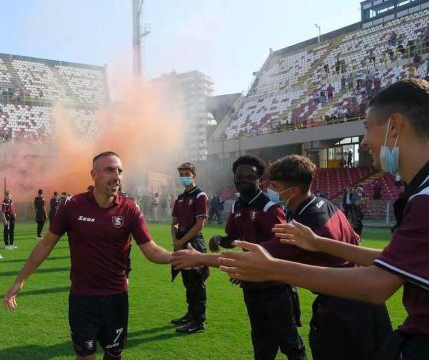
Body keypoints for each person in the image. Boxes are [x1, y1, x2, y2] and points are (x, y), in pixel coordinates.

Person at [211, 79, 429, 359]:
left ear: (394, 126)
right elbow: (389, 260)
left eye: (366, 128)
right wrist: (320, 244)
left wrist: (274, 269)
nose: (364, 142)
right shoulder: (418, 193)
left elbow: (378, 285)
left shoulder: (423, 198)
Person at [176, 155, 393, 359]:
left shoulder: (302, 225)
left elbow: (257, 258)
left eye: (276, 187)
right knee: (264, 340)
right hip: (364, 304)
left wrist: (199, 258)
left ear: (293, 190)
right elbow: (355, 240)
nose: (272, 191)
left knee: (289, 340)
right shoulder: (326, 206)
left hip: (343, 308)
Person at [4, 151, 172, 360]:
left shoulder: (129, 208)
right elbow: (46, 244)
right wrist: (20, 280)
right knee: (85, 357)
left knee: (113, 355)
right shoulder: (72, 206)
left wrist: (177, 257)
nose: (117, 175)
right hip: (82, 298)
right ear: (93, 174)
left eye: (120, 171)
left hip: (116, 297)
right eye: (110, 170)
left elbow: (151, 250)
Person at [211, 155, 306, 360]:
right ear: (234, 178)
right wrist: (220, 239)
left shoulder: (269, 207)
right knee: (261, 340)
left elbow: (283, 243)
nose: (244, 180)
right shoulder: (238, 206)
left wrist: (248, 265)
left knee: (288, 341)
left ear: (258, 179)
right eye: (239, 176)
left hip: (275, 285)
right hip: (252, 287)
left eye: (249, 176)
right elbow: (234, 238)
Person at [170, 162, 209, 334]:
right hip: (181, 241)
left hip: (194, 242)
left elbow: (200, 224)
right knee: (187, 281)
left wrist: (183, 240)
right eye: (181, 174)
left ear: (194, 175)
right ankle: (190, 314)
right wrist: (175, 240)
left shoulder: (200, 196)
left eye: (187, 173)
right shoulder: (180, 197)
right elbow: (174, 222)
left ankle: (199, 321)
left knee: (196, 282)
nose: (184, 177)